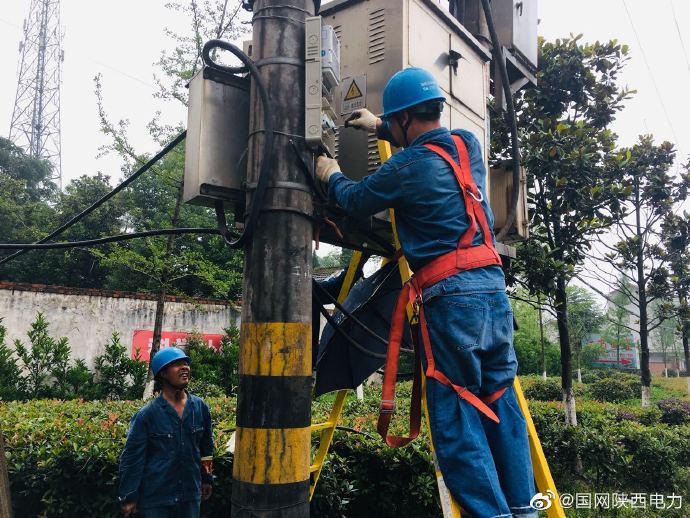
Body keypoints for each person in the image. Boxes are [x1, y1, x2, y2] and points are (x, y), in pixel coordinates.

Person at [316, 67, 537, 518]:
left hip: (452, 299)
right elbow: (426, 145)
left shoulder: (406, 167)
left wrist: (330, 173)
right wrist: (380, 126)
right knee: (500, 398)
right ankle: (523, 509)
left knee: (456, 405)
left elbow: (355, 200)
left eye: (392, 123)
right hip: (493, 292)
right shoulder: (467, 145)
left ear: (402, 119)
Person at [118, 347, 214, 518]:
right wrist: (129, 496)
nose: (184, 368)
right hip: (156, 499)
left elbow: (206, 449)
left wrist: (207, 478)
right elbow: (132, 459)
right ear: (162, 373)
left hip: (190, 496)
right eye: (177, 364)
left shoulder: (200, 408)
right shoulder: (147, 415)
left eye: (186, 364)